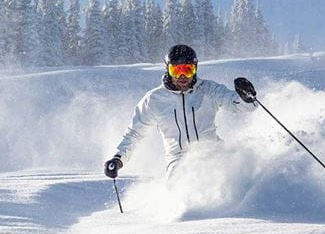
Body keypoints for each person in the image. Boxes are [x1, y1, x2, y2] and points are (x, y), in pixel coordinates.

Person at [104, 44, 257, 179]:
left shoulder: (209, 90)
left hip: (214, 152)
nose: (182, 76)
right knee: (183, 182)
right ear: (168, 70)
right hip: (178, 159)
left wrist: (246, 98)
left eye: (188, 69)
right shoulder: (154, 99)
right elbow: (135, 133)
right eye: (176, 70)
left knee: (238, 171)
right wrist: (118, 159)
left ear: (195, 69)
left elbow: (237, 105)